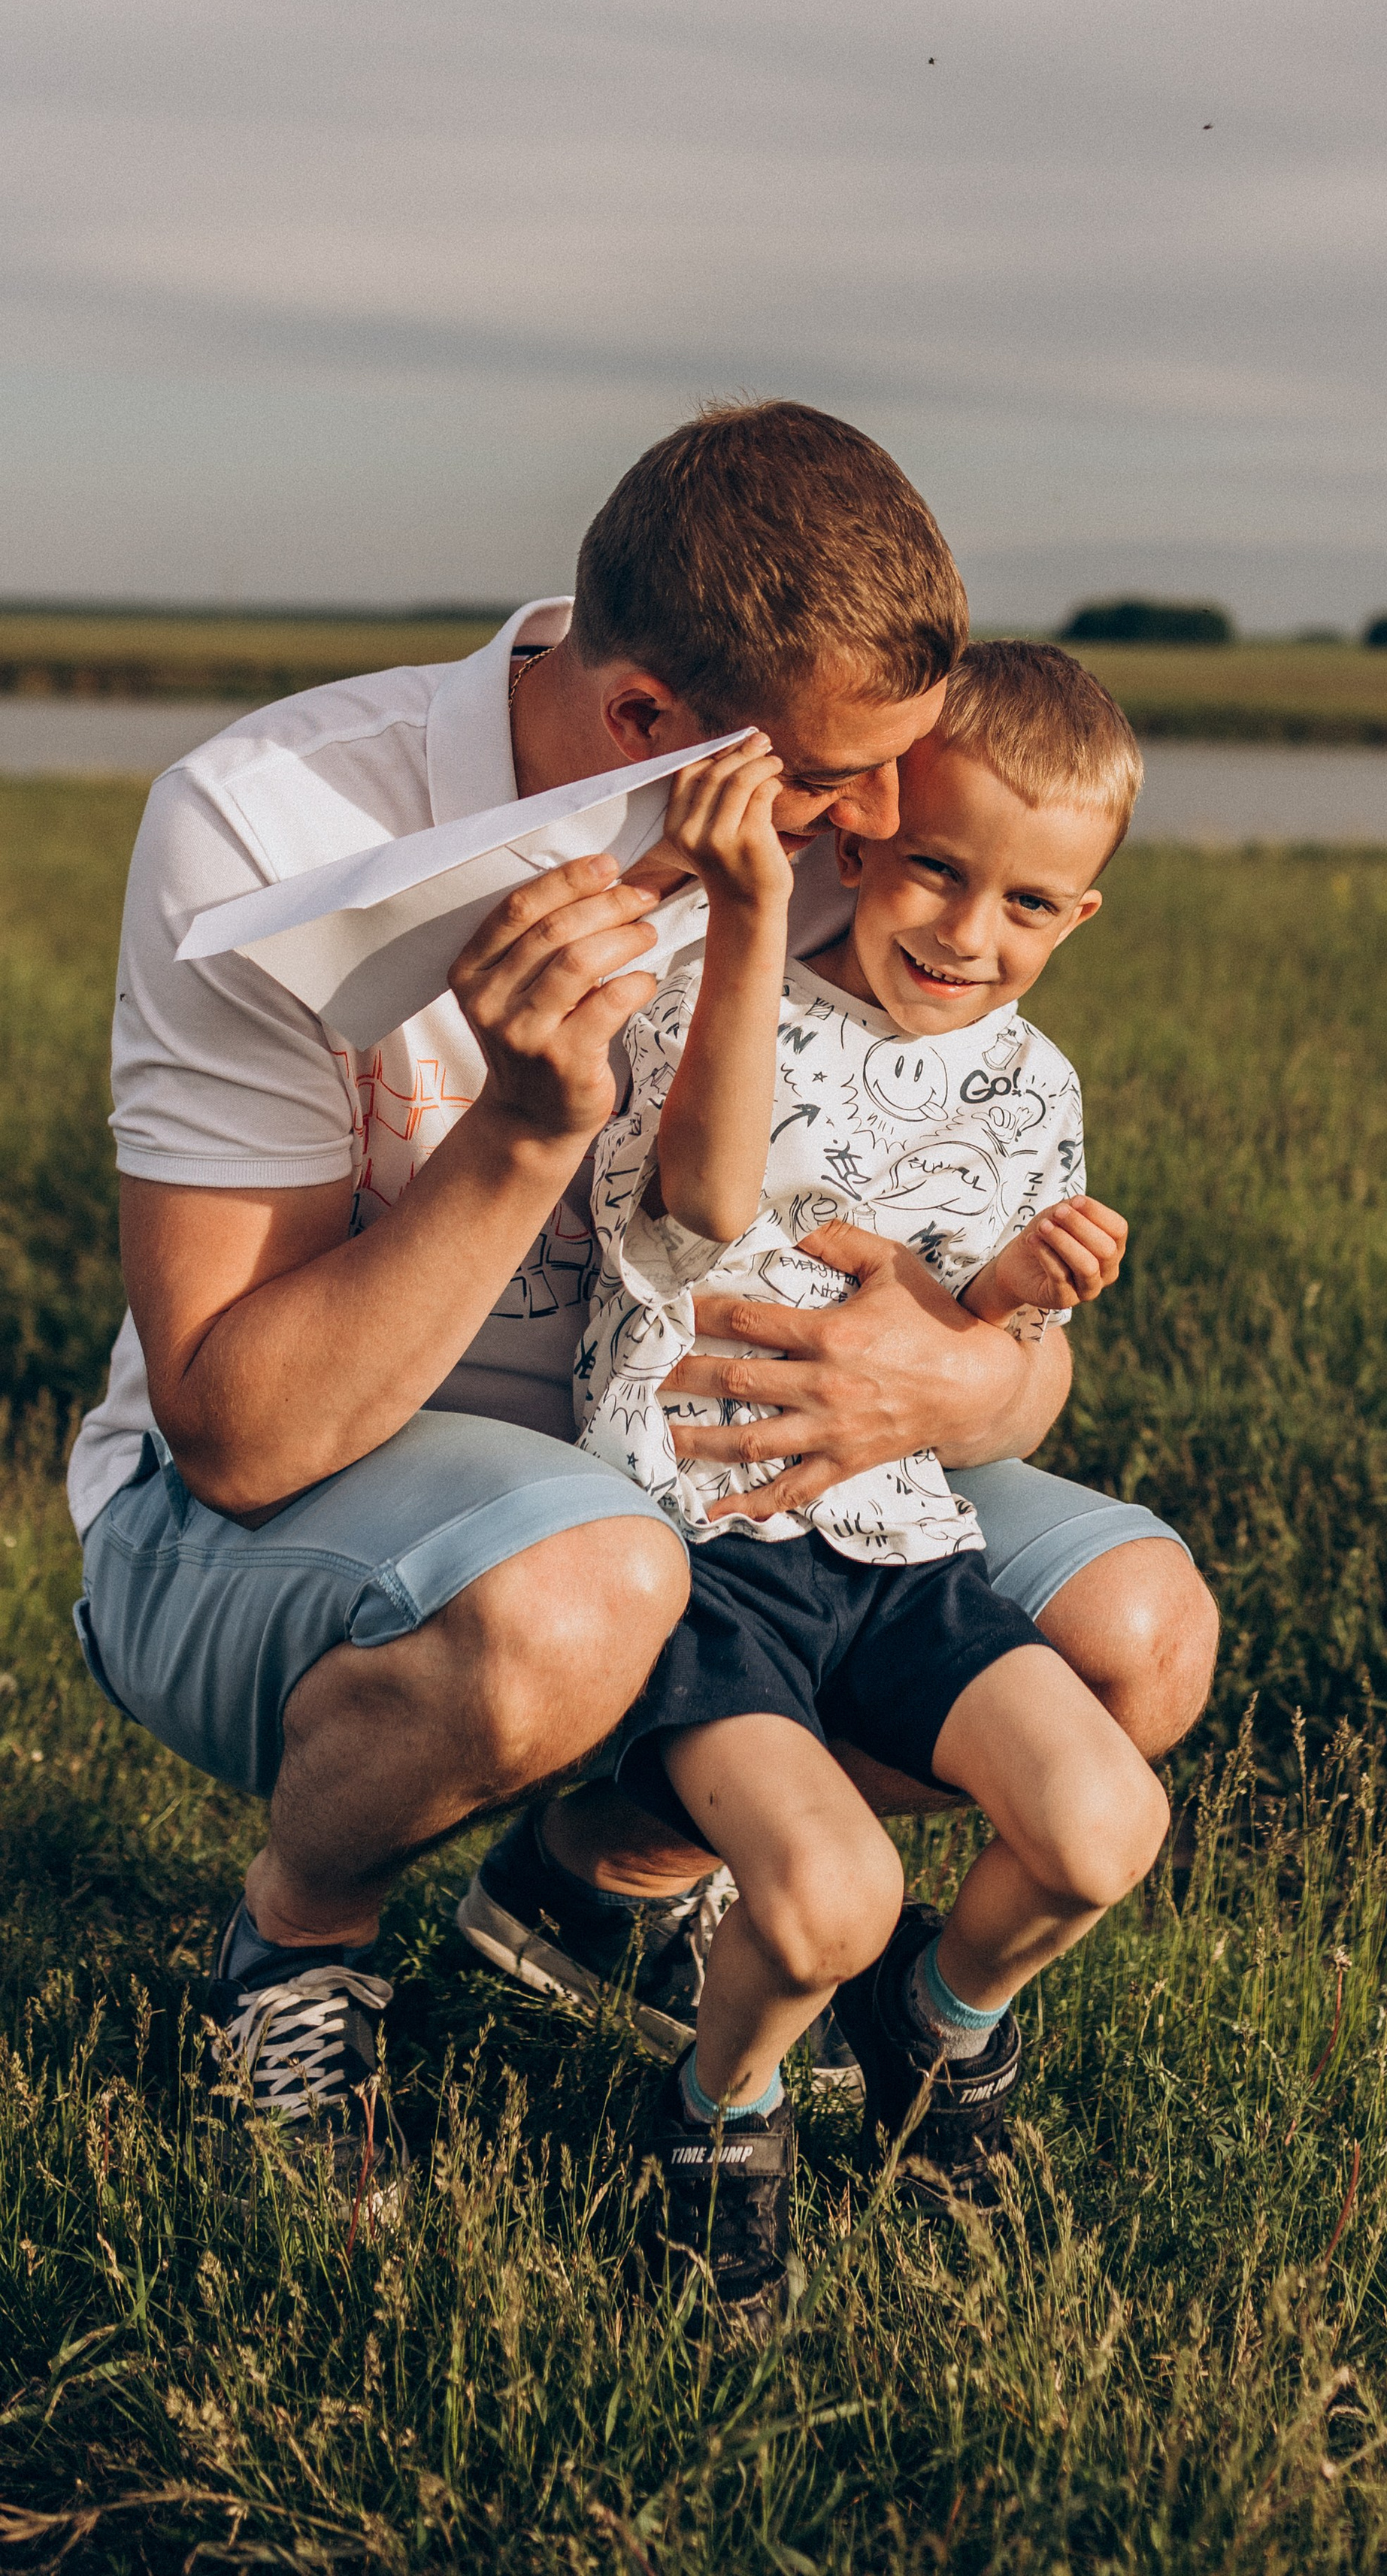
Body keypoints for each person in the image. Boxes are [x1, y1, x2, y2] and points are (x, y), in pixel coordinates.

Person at [66, 401, 1218, 2202]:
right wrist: (528, 1130)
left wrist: (951, 1387)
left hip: (712, 1470)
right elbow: (236, 1432)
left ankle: (598, 1872)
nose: (882, 836)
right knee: (599, 1572)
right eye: (839, 786)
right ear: (642, 728)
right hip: (291, 1529)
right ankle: (298, 1943)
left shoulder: (871, 829)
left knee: (1136, 1629)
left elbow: (994, 1338)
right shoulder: (267, 824)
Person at [564, 646, 1168, 2321]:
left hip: (898, 1542)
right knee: (832, 1895)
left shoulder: (1029, 1085)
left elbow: (962, 1338)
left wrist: (1021, 1283)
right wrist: (750, 915)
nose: (971, 937)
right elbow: (695, 1202)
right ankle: (714, 2111)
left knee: (1103, 1822)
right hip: (702, 1536)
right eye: (936, 871)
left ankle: (937, 2028)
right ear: (857, 838)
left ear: (1080, 919)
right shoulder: (712, 989)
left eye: (1031, 906)